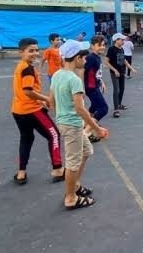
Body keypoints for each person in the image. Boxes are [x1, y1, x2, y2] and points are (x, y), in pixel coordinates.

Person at [49, 40, 105, 210]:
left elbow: (51, 102)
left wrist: (61, 117)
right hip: (71, 125)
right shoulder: (74, 80)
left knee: (86, 151)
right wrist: (96, 128)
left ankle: (75, 185)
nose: (86, 61)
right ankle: (71, 197)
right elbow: (80, 109)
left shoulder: (57, 75)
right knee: (73, 163)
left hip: (65, 122)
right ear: (77, 58)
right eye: (84, 57)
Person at [11, 38, 64, 185]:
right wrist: (46, 99)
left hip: (18, 110)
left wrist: (39, 99)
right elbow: (28, 91)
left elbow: (25, 91)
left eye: (36, 50)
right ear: (21, 52)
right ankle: (58, 168)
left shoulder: (21, 66)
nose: (35, 53)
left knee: (26, 139)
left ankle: (21, 172)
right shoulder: (27, 69)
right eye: (30, 51)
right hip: (31, 110)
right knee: (54, 134)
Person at [83, 36, 110, 143]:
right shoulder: (90, 58)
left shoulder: (97, 57)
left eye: (103, 45)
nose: (102, 47)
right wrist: (81, 89)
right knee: (103, 108)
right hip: (91, 88)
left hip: (95, 86)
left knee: (94, 107)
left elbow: (95, 73)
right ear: (92, 46)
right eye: (99, 45)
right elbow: (82, 71)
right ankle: (86, 132)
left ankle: (84, 125)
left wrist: (101, 81)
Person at [107, 33, 136, 118]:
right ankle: (116, 110)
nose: (123, 41)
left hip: (122, 72)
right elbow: (106, 62)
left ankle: (119, 104)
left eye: (124, 40)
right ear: (116, 40)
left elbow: (124, 60)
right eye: (122, 40)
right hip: (114, 73)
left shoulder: (121, 49)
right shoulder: (111, 49)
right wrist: (114, 70)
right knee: (116, 90)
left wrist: (131, 68)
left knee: (122, 89)